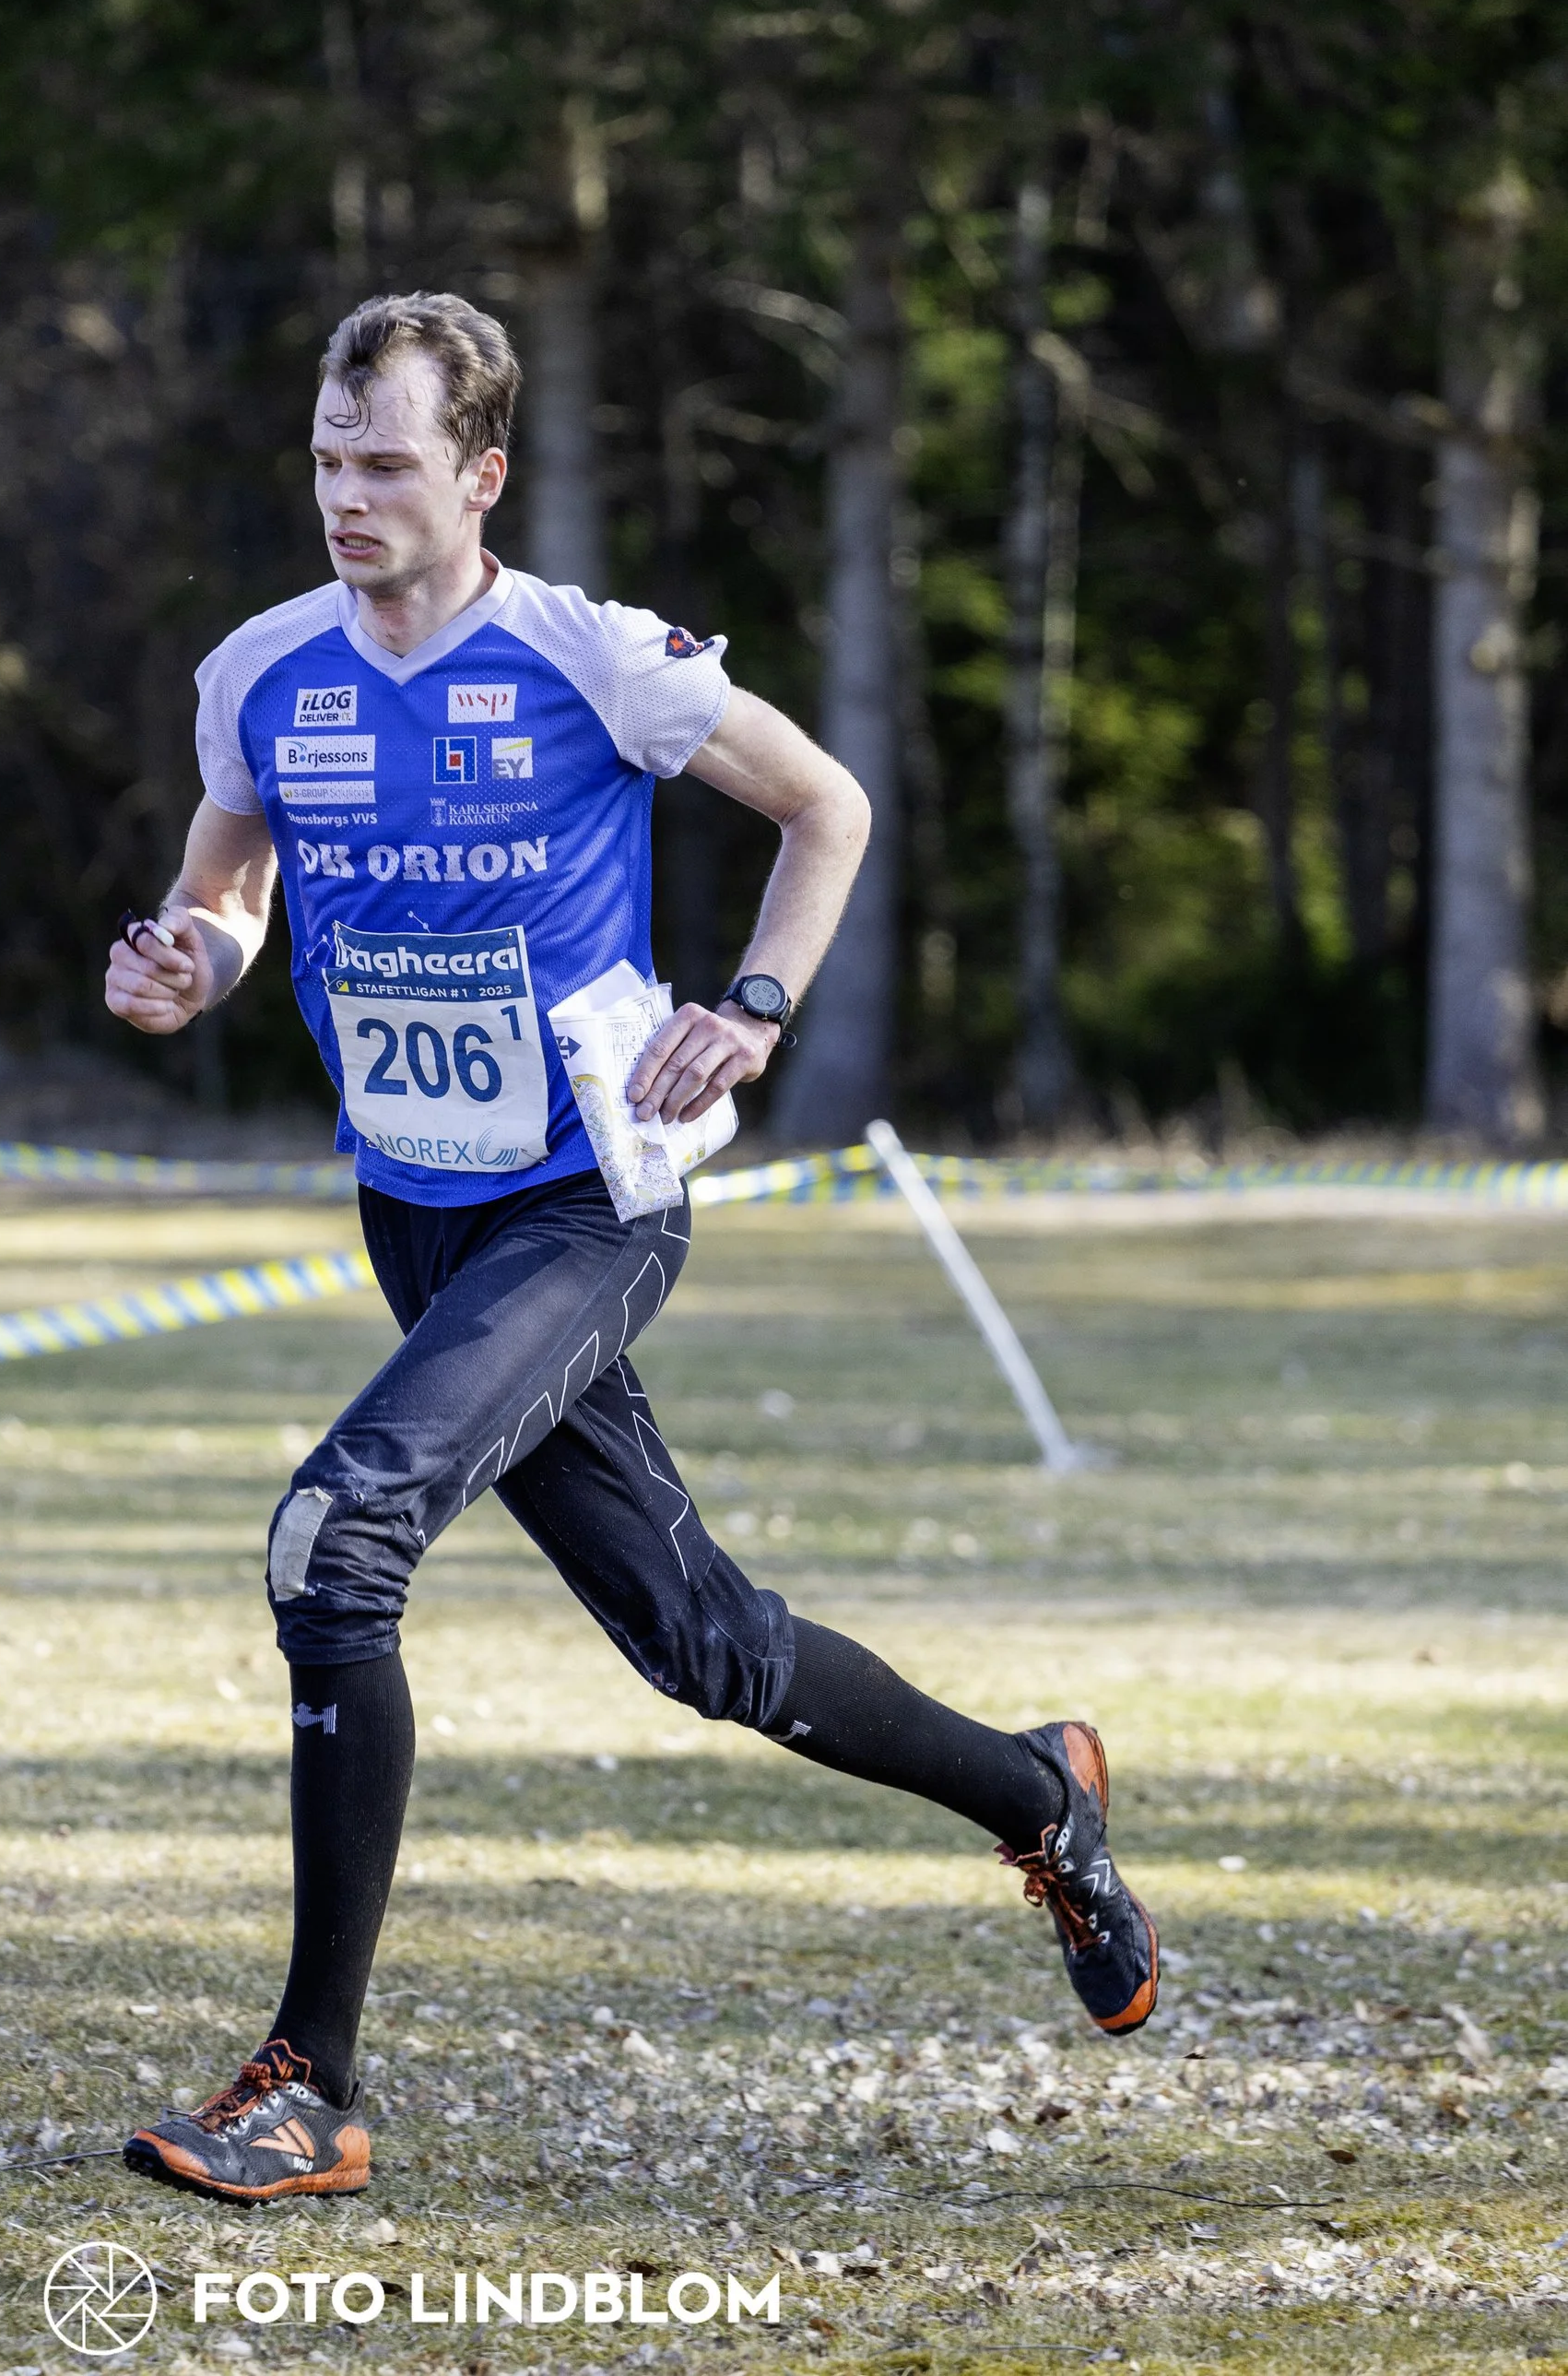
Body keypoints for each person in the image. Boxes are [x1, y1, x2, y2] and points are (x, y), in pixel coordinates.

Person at [104, 291, 1156, 2204]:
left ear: (481, 474)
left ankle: (309, 2086)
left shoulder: (595, 656)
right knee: (704, 1644)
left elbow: (826, 805)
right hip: (415, 1211)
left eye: (387, 462)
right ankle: (1037, 1790)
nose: (345, 495)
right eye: (328, 459)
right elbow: (227, 887)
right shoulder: (258, 671)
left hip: (592, 1198)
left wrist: (751, 1006)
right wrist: (191, 960)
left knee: (335, 1540)